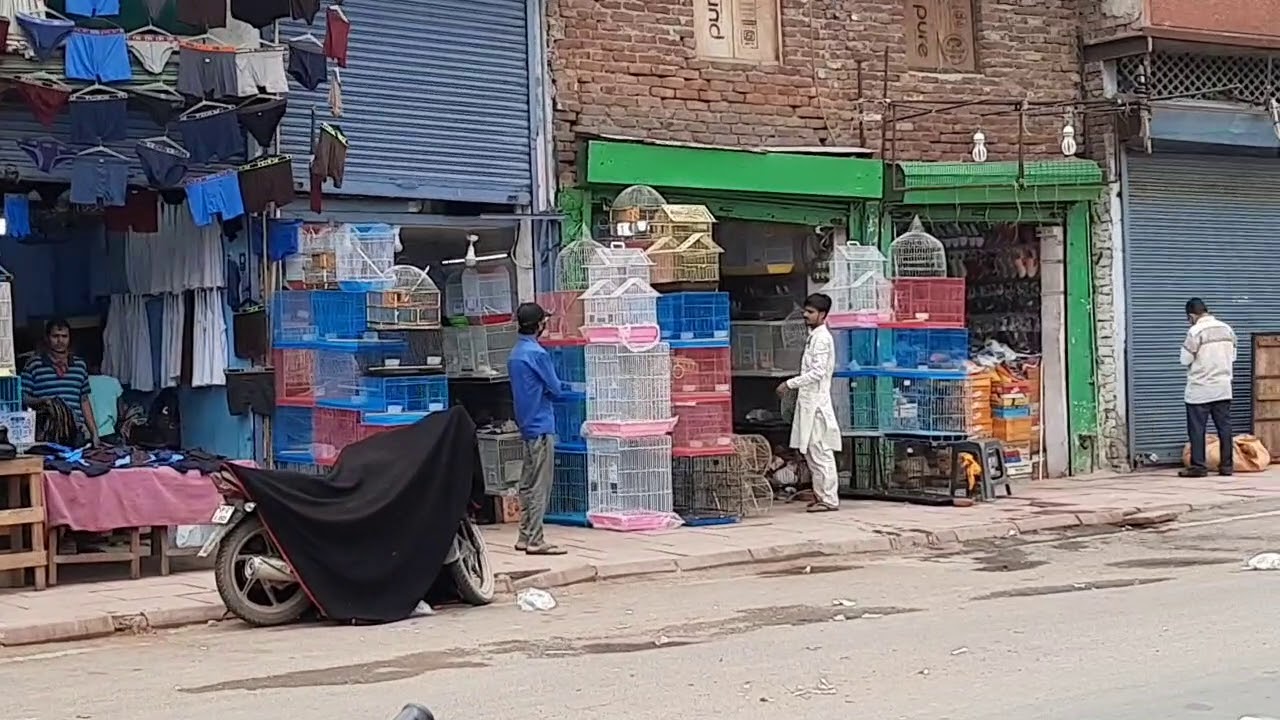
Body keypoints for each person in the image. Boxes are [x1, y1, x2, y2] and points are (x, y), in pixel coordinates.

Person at [506, 302, 568, 555]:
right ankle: (535, 539)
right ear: (540, 325)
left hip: (526, 424)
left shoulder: (515, 354)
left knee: (527, 483)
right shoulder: (537, 354)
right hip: (542, 425)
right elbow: (556, 388)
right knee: (540, 485)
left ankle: (524, 535)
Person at [777, 293, 841, 511]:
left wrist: (790, 384)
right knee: (811, 452)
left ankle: (829, 499)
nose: (805, 315)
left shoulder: (822, 338)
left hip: (817, 405)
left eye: (810, 312)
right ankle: (821, 494)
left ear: (822, 315)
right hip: (808, 403)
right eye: (806, 311)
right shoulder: (814, 336)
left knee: (821, 452)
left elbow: (817, 372)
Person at [1180, 298, 1236, 477]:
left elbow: (1185, 359)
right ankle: (1227, 466)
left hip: (1200, 389)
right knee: (1224, 428)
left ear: (1191, 316)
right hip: (1223, 387)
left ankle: (1198, 467)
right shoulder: (1227, 329)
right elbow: (1233, 356)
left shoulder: (1195, 331)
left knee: (1197, 429)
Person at [22, 318, 99, 446]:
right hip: (46, 431)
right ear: (47, 338)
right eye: (55, 336)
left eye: (64, 336)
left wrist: (94, 433)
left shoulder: (79, 365)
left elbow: (84, 400)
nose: (60, 341)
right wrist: (44, 401)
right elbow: (23, 397)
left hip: (76, 431)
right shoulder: (34, 364)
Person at [87, 364, 124, 444]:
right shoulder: (113, 382)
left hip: (87, 433)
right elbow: (121, 411)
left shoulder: (82, 382)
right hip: (108, 431)